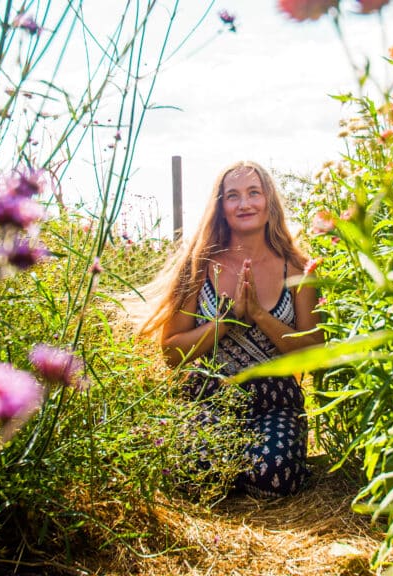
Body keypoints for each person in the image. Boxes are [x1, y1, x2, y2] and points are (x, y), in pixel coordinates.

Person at [139, 160, 324, 497]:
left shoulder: (298, 269)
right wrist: (226, 321)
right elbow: (171, 353)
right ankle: (232, 462)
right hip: (209, 398)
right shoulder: (199, 266)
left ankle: (247, 463)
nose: (244, 204)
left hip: (276, 401)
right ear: (221, 207)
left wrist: (260, 316)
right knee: (197, 470)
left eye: (254, 193)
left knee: (274, 476)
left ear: (269, 202)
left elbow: (314, 353)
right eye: (233, 196)